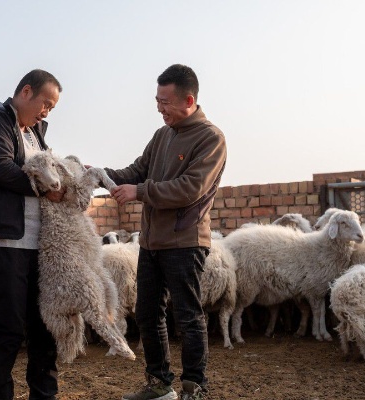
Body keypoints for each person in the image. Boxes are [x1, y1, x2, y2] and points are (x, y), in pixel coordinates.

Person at [106, 64, 227, 400]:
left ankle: (194, 386)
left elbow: (190, 188)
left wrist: (139, 191)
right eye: (157, 101)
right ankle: (159, 384)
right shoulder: (163, 135)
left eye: (165, 102)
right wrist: (99, 175)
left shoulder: (210, 138)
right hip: (152, 242)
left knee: (187, 315)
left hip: (185, 242)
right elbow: (136, 170)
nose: (159, 108)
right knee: (147, 313)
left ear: (189, 99)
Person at [0, 69, 64, 400]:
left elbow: (50, 173)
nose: (47, 111)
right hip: (4, 243)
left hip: (38, 245)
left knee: (44, 328)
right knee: (6, 331)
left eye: (52, 106)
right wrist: (46, 187)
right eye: (45, 102)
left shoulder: (36, 134)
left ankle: (44, 395)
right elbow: (0, 168)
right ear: (25, 92)